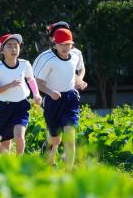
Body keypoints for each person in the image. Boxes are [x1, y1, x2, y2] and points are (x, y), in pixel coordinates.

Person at [33, 28, 87, 171]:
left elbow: (80, 69)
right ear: (55, 44)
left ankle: (68, 172)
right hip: (52, 101)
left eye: (67, 44)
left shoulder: (76, 55)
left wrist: (80, 81)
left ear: (72, 44)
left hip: (70, 99)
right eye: (61, 44)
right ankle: (48, 157)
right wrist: (50, 92)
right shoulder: (47, 59)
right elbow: (37, 81)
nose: (64, 47)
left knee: (70, 135)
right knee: (56, 138)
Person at [0, 33, 42, 155]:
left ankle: (20, 164)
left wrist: (36, 94)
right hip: (4, 108)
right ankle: (7, 168)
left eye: (16, 46)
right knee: (5, 144)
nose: (13, 49)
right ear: (1, 50)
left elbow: (31, 79)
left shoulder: (25, 64)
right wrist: (9, 85)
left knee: (19, 136)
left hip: (21, 106)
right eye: (9, 46)